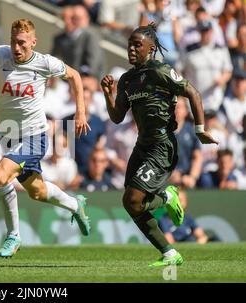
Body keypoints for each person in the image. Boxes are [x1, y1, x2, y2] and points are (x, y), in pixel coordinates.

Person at [0, 19, 91, 258]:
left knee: (0, 175)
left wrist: (81, 111)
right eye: (13, 41)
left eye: (22, 43)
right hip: (8, 135)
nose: (16, 47)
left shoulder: (45, 62)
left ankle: (13, 236)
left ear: (33, 42)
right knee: (38, 192)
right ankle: (76, 205)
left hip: (35, 135)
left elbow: (74, 76)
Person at [100, 23, 218, 267]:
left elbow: (193, 93)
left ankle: (166, 195)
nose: (131, 49)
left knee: (134, 199)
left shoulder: (160, 71)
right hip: (142, 145)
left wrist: (199, 130)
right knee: (131, 203)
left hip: (162, 145)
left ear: (150, 48)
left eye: (137, 45)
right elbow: (117, 117)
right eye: (129, 44)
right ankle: (169, 253)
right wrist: (108, 94)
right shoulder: (127, 79)